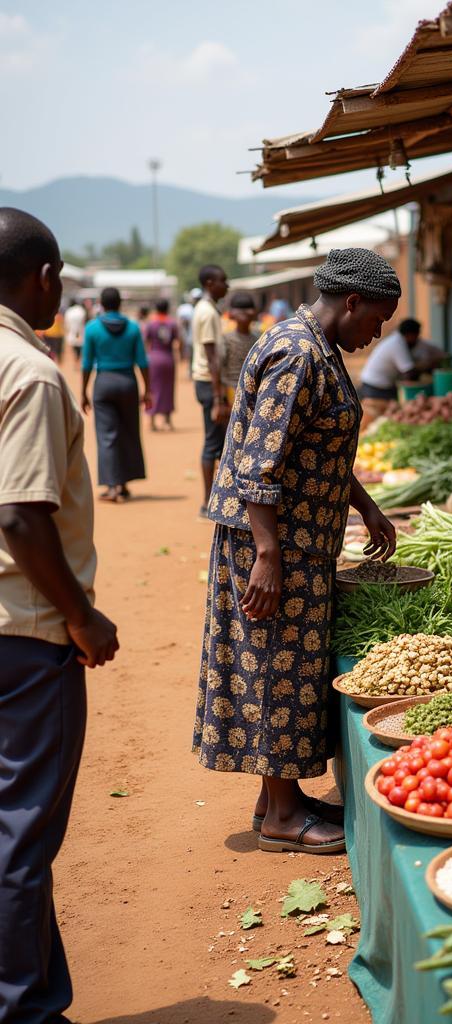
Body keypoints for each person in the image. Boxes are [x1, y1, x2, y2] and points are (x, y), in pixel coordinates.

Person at [193, 247, 399, 854]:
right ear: (352, 301)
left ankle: (276, 798)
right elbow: (261, 465)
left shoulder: (315, 347)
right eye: (377, 319)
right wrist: (267, 556)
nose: (377, 332)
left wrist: (362, 502)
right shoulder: (297, 354)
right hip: (278, 543)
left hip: (302, 540)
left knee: (285, 665)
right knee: (275, 667)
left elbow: (314, 449)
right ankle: (282, 818)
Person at [0, 207, 119, 1024]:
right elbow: (18, 516)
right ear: (43, 277)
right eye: (58, 276)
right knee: (21, 838)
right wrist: (82, 619)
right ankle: (24, 1011)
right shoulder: (30, 372)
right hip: (21, 634)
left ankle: (39, 997)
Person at [81, 287, 151, 502]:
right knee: (129, 432)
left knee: (106, 436)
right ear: (120, 303)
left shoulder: (92, 328)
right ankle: (124, 484)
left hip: (103, 383)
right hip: (128, 383)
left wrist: (83, 391)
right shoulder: (132, 327)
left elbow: (86, 364)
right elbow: (142, 361)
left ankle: (112, 488)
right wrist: (147, 390)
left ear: (101, 304)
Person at [192, 265, 229, 517]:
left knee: (219, 442)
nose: (226, 286)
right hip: (209, 383)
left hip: (210, 383)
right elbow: (211, 355)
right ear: (209, 283)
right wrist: (218, 397)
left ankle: (215, 498)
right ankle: (207, 503)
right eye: (222, 281)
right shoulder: (207, 312)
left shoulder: (209, 310)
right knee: (213, 442)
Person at [359, 317, 444, 418]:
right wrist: (425, 367)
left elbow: (436, 351)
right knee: (387, 415)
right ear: (410, 335)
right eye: (416, 335)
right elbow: (409, 373)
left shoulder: (400, 340)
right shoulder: (397, 344)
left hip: (378, 385)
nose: (417, 338)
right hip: (375, 388)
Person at [143, 297, 178, 431]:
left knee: (152, 388)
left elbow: (146, 342)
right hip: (168, 358)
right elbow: (177, 343)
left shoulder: (151, 324)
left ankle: (151, 421)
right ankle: (167, 421)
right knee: (168, 389)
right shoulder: (172, 324)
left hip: (154, 359)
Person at [221, 291, 259, 406]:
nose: (244, 314)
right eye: (240, 309)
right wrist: (221, 400)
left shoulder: (259, 340)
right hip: (230, 394)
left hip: (253, 395)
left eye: (247, 308)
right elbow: (221, 369)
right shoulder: (226, 340)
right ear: (232, 314)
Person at [177, 289, 197, 370]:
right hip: (185, 334)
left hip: (192, 335)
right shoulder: (185, 308)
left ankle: (190, 369)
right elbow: (181, 322)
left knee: (192, 353)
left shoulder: (193, 309)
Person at [64, 296, 86, 365]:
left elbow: (67, 324)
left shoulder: (68, 311)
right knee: (79, 347)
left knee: (74, 346)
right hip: (80, 331)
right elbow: (84, 321)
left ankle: (76, 358)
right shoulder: (81, 310)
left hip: (72, 332)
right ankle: (78, 358)